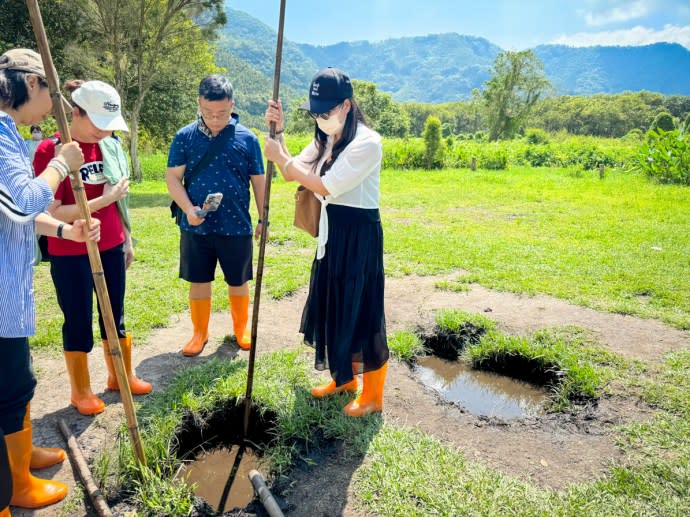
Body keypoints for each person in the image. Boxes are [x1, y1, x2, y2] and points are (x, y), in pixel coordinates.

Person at [0, 48, 100, 511]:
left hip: (11, 286)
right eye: (50, 91)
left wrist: (63, 229)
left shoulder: (9, 134)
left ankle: (19, 460)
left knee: (17, 378)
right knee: (9, 383)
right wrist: (61, 163)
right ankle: (14, 484)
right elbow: (23, 200)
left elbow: (15, 216)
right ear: (30, 84)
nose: (53, 104)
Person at [264, 67, 389, 417]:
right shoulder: (325, 138)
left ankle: (373, 396)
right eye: (315, 113)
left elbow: (325, 185)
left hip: (359, 233)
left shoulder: (367, 143)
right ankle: (343, 379)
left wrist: (279, 156)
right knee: (334, 305)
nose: (321, 119)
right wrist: (281, 131)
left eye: (327, 112)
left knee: (362, 310)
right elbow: (293, 170)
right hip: (331, 233)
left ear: (347, 105)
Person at [33, 80, 152, 417]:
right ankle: (80, 390)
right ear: (76, 113)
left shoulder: (109, 147)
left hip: (111, 244)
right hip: (70, 251)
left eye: (109, 125)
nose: (104, 132)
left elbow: (120, 204)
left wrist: (126, 238)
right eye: (99, 123)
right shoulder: (53, 150)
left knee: (115, 313)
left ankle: (121, 376)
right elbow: (50, 211)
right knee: (78, 318)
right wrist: (104, 199)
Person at [166, 74, 266, 356]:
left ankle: (241, 329)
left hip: (237, 225)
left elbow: (259, 181)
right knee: (198, 280)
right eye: (208, 112)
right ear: (199, 103)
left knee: (239, 280)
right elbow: (173, 178)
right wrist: (188, 209)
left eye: (222, 113)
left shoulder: (248, 139)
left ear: (232, 104)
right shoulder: (184, 137)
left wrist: (263, 218)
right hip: (196, 225)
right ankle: (199, 333)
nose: (215, 118)